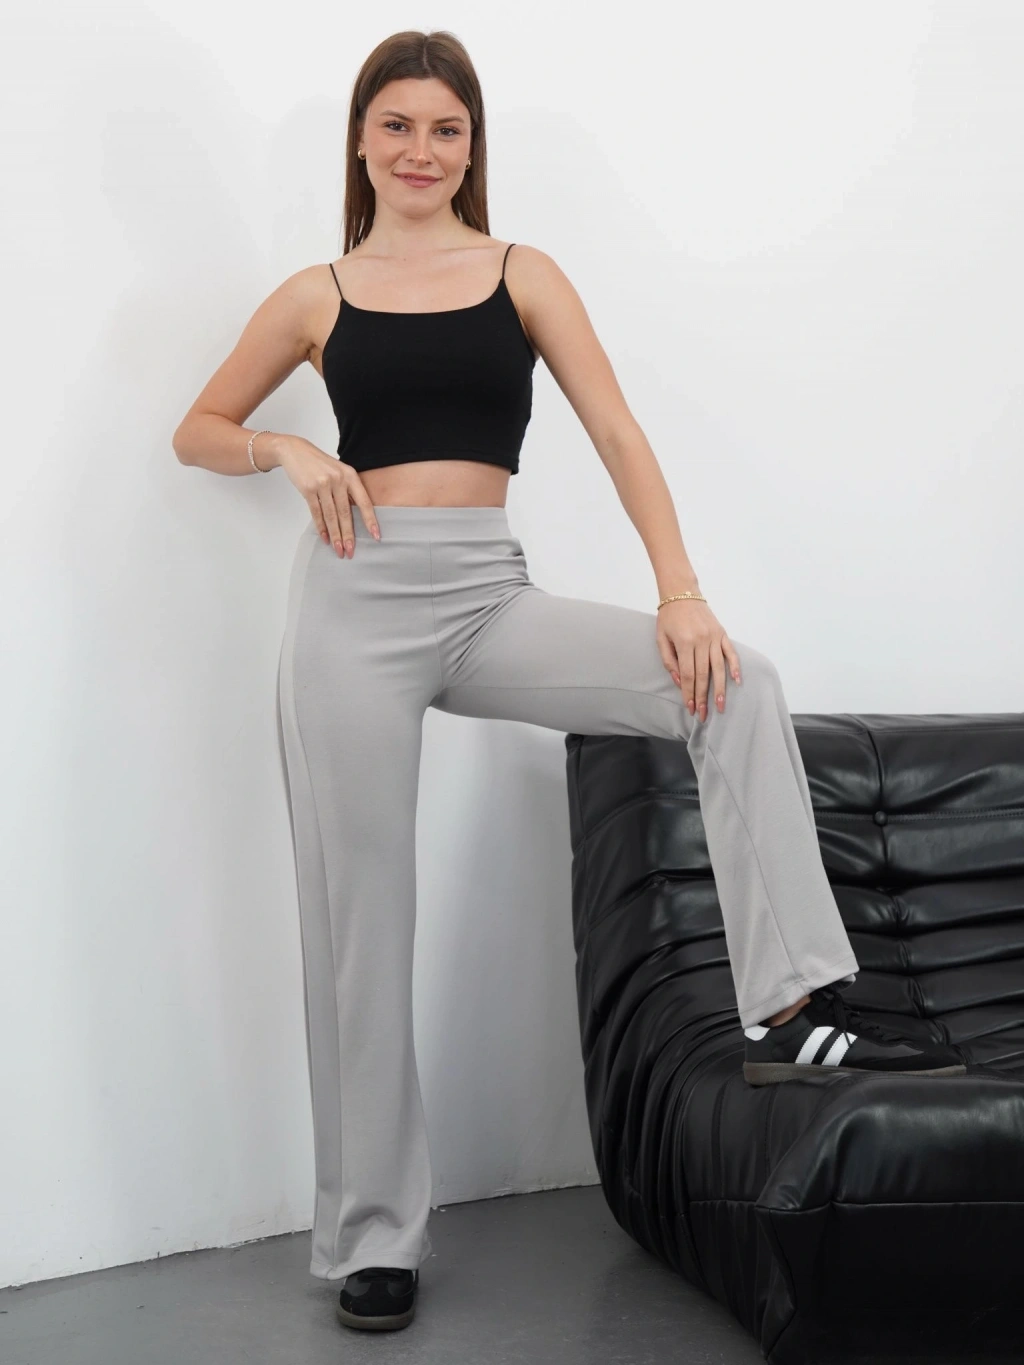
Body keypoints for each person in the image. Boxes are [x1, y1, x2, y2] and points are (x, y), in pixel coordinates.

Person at [172, 27, 966, 1335]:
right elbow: (195, 429)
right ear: (361, 141)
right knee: (361, 925)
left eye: (446, 129)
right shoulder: (317, 294)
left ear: (471, 146)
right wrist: (282, 452)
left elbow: (613, 428)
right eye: (397, 125)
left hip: (489, 594)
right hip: (352, 610)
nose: (421, 150)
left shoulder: (521, 273)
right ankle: (375, 1236)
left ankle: (791, 1000)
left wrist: (680, 592)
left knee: (734, 685)